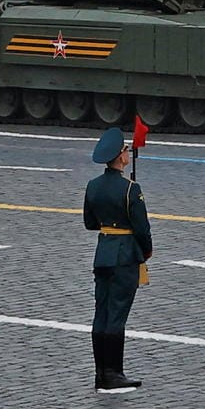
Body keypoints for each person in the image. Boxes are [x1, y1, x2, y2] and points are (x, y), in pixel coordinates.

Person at [83, 127, 149, 393]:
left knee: (102, 313)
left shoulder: (93, 186)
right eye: (125, 151)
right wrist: (145, 251)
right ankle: (113, 373)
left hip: (103, 253)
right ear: (120, 157)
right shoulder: (130, 189)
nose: (127, 154)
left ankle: (101, 373)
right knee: (117, 316)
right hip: (125, 256)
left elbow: (90, 223)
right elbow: (143, 229)